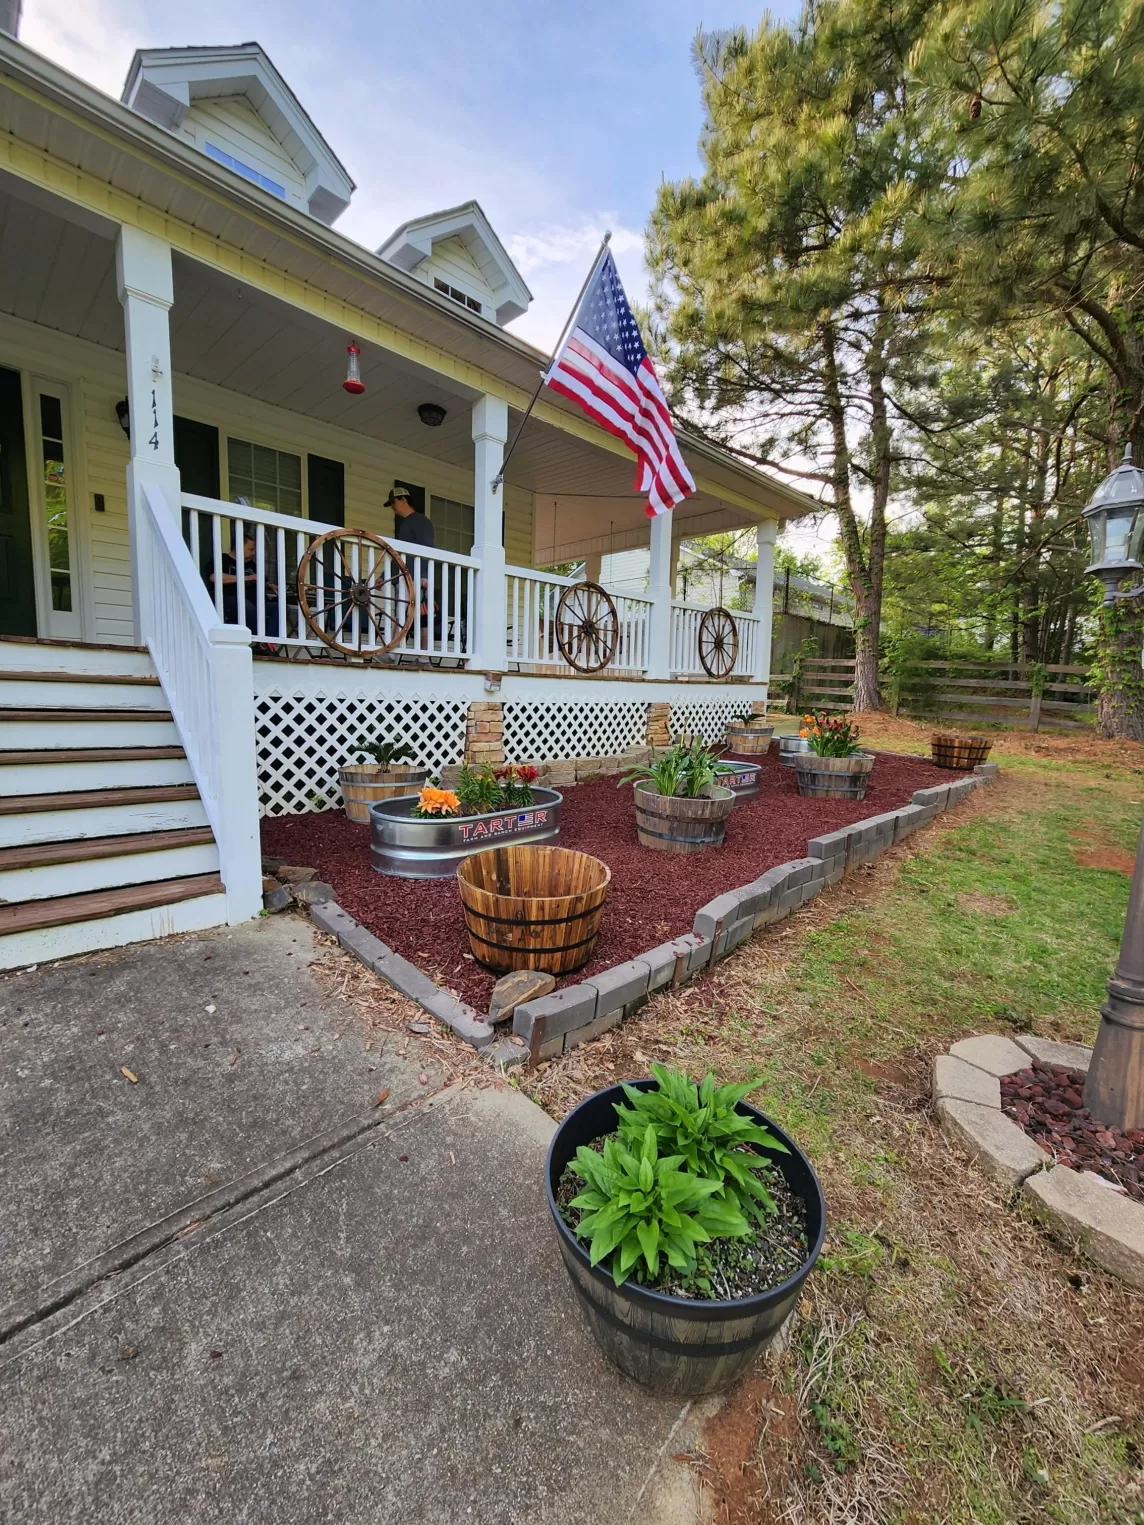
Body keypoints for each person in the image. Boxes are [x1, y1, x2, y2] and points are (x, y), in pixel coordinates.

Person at [385, 484, 438, 642]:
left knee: (418, 615)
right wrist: (384, 575)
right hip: (404, 576)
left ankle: (394, 652)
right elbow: (399, 554)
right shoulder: (405, 524)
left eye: (393, 502)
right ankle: (419, 657)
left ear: (403, 500)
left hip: (415, 577)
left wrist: (424, 575)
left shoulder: (420, 521)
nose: (393, 507)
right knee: (410, 614)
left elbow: (428, 548)